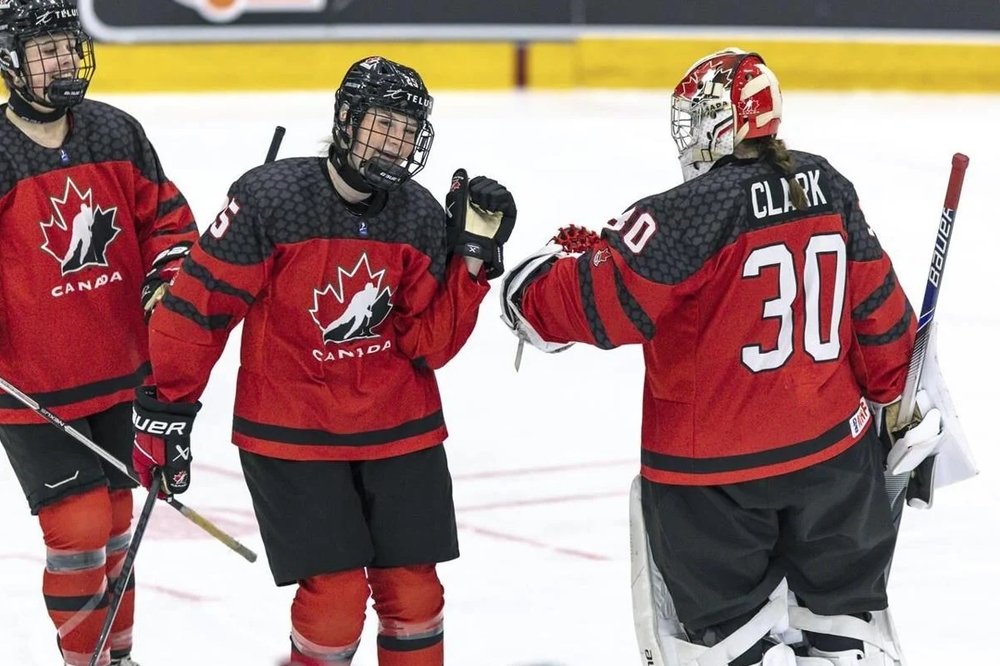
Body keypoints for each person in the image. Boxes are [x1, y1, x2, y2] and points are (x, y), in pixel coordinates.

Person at [499, 48, 959, 666]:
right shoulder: (827, 184)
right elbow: (878, 308)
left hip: (714, 483)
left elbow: (606, 306)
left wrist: (527, 290)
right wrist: (895, 401)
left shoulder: (686, 212)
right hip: (836, 466)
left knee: (721, 645)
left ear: (725, 122)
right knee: (846, 632)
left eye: (695, 119)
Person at [130, 55, 516, 666]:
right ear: (345, 119)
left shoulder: (417, 214)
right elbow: (200, 308)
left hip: (398, 426)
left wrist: (470, 259)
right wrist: (166, 410)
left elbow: (429, 345)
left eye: (408, 129)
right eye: (383, 123)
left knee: (415, 595)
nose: (396, 142)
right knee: (334, 603)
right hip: (291, 429)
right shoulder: (272, 200)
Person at [0, 1, 199, 665]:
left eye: (66, 46)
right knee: (79, 526)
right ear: (9, 60)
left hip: (121, 368)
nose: (61, 61)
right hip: (31, 381)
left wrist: (170, 278)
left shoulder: (116, 131)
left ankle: (119, 656)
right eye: (44, 50)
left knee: (117, 524)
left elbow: (169, 223)